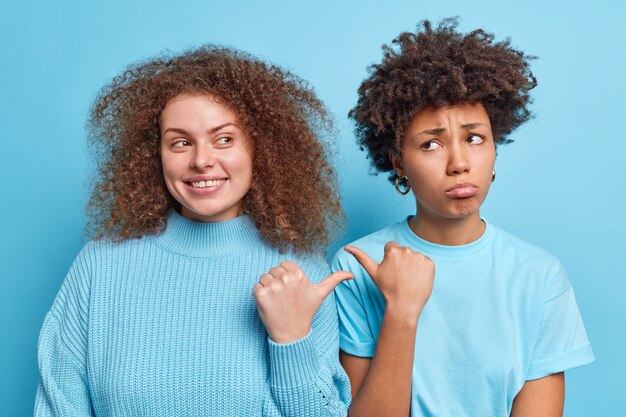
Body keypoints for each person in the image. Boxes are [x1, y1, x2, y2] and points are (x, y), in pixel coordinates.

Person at [35, 46, 352, 416]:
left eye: (224, 139)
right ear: (155, 154)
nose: (201, 160)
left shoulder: (301, 271)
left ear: (259, 150)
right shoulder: (99, 268)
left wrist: (291, 340)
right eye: (180, 142)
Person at [332, 18, 595, 417]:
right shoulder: (358, 266)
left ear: (494, 149)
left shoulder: (539, 277)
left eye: (474, 138)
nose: (459, 163)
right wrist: (402, 311)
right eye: (431, 144)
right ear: (398, 162)